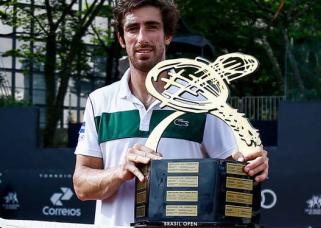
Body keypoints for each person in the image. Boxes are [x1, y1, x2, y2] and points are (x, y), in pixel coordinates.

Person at [73, 0, 269, 226]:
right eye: (132, 28)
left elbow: (235, 170)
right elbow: (81, 186)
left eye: (152, 27)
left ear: (168, 36)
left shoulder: (202, 101)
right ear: (121, 38)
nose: (142, 38)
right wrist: (120, 171)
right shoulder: (100, 101)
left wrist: (252, 166)